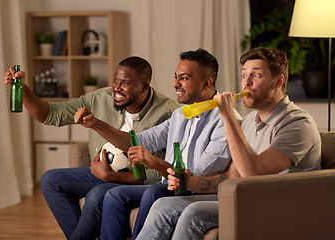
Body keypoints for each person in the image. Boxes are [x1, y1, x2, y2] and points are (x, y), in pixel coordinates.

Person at [136, 47, 322, 240]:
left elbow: (253, 174)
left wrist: (227, 117)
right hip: (248, 199)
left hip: (279, 206)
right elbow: (232, 176)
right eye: (244, 75)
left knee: (194, 213)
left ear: (278, 81)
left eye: (256, 75)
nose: (246, 83)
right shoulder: (250, 121)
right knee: (163, 205)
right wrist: (189, 182)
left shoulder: (297, 123)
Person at [3, 56, 179, 240]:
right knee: (50, 180)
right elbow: (50, 114)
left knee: (97, 195)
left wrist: (113, 177)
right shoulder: (99, 98)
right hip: (100, 172)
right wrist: (23, 90)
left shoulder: (168, 113)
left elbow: (164, 173)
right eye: (115, 80)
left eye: (125, 83)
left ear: (144, 86)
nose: (116, 87)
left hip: (134, 181)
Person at [74, 48, 242, 239]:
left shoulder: (226, 121)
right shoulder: (181, 115)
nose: (175, 84)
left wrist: (154, 162)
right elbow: (137, 141)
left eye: (184, 78)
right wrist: (95, 124)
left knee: (154, 191)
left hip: (190, 190)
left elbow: (196, 175)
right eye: (176, 77)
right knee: (114, 196)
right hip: (168, 186)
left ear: (207, 83)